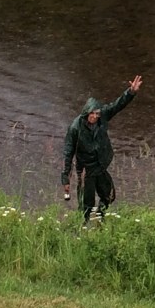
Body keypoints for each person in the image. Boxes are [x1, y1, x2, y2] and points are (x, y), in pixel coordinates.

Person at [61, 74, 143, 223]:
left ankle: (100, 218)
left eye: (97, 114)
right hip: (86, 170)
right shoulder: (75, 128)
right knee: (86, 206)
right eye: (92, 113)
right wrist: (66, 178)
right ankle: (83, 227)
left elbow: (117, 105)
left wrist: (130, 92)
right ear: (86, 112)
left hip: (100, 165)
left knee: (109, 195)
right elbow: (68, 153)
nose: (95, 116)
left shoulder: (102, 116)